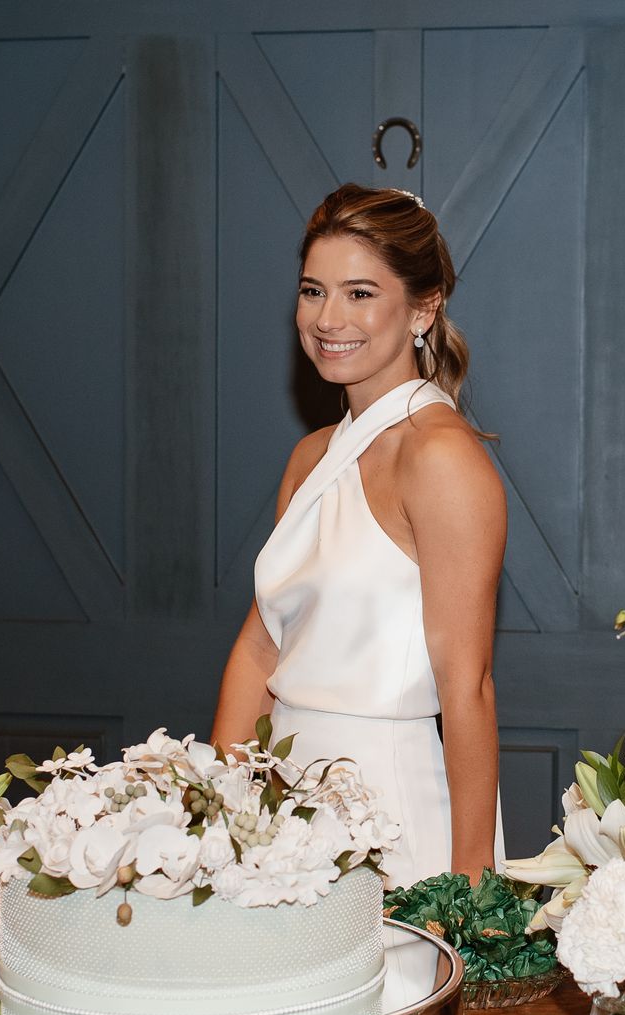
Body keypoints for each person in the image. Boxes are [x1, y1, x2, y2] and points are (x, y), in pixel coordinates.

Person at [210, 184, 506, 886]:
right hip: (279, 810)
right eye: (313, 292)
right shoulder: (310, 457)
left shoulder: (441, 456)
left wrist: (472, 886)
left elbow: (469, 689)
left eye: (360, 293)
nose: (327, 318)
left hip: (387, 815)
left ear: (423, 308)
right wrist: (217, 811)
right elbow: (260, 645)